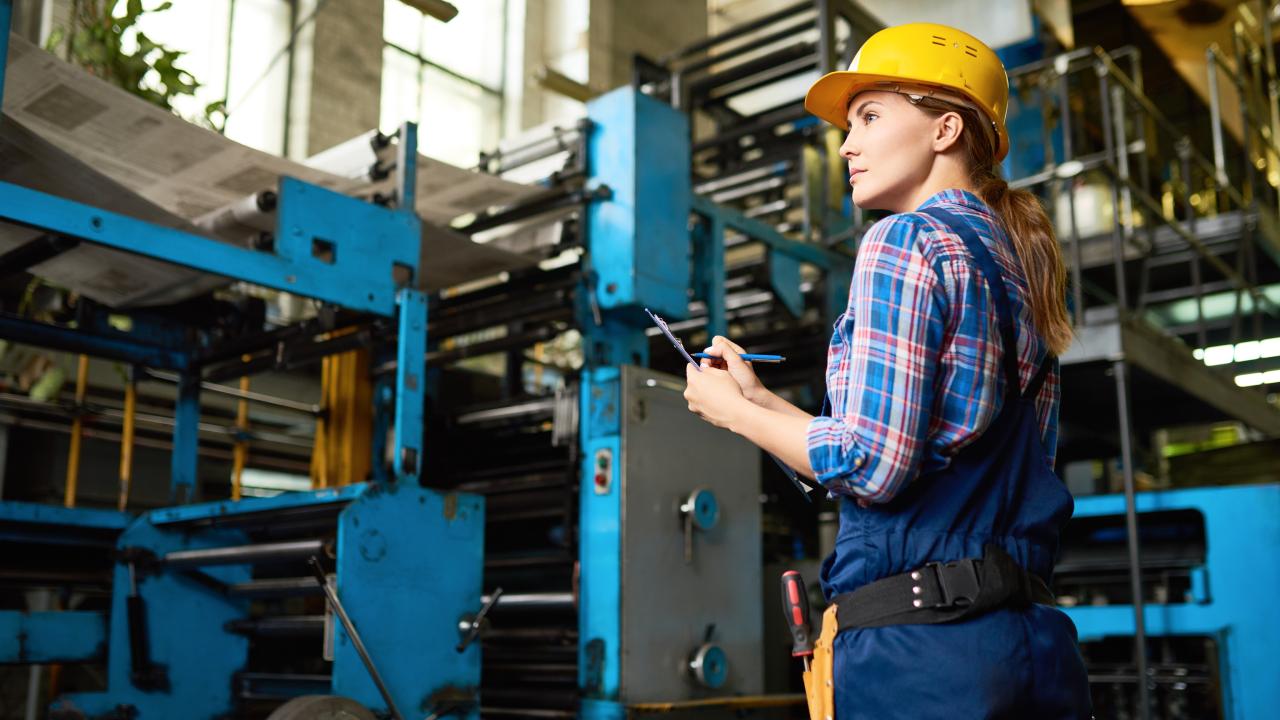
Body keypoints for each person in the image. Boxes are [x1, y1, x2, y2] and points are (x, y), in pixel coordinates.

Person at [682, 23, 1092, 720]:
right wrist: (762, 401)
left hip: (926, 658)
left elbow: (874, 464)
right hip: (1030, 646)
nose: (847, 143)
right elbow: (930, 447)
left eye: (870, 116)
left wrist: (731, 413)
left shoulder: (902, 241)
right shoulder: (1015, 266)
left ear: (945, 130)